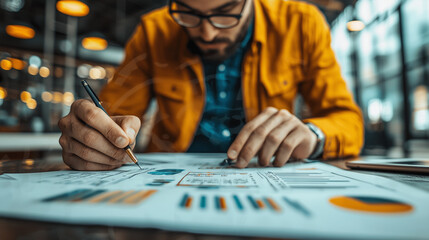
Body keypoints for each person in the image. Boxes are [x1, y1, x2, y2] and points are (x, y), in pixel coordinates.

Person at [58, 0, 364, 171]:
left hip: (264, 174)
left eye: (226, 13)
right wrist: (94, 136)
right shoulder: (154, 31)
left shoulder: (301, 24)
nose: (206, 32)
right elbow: (112, 117)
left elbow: (347, 120)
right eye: (188, 14)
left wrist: (313, 134)